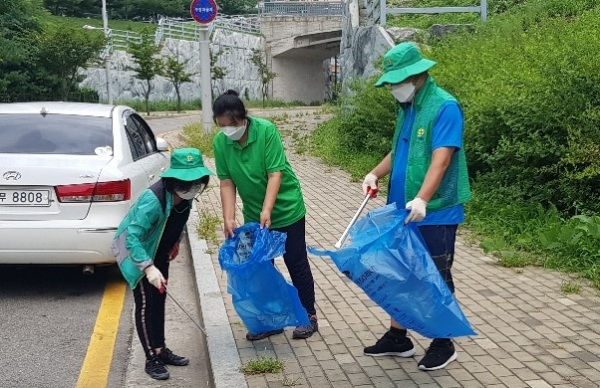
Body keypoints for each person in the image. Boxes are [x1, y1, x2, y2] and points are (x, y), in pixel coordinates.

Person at [361, 42, 471, 371]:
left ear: (419, 74)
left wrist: (423, 198)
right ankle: (399, 337)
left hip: (434, 210)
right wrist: (374, 173)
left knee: (436, 275)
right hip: (402, 208)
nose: (395, 87)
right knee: (401, 271)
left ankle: (443, 341)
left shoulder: (444, 106)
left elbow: (441, 159)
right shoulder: (408, 107)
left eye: (399, 81)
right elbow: (400, 151)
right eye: (392, 82)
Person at [212, 90, 318, 341]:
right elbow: (226, 183)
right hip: (254, 215)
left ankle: (308, 316)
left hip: (286, 209)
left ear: (243, 119)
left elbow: (275, 174)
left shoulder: (266, 131)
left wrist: (268, 209)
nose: (228, 131)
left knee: (296, 262)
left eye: (232, 125)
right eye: (222, 126)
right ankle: (271, 320)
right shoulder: (220, 143)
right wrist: (228, 217)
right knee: (259, 268)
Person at [112, 148, 214, 380]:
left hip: (159, 251)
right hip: (138, 253)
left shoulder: (185, 198)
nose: (193, 185)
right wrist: (148, 268)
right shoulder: (154, 199)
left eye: (197, 181)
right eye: (188, 181)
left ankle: (161, 349)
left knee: (159, 299)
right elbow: (132, 237)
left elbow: (178, 222)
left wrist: (175, 242)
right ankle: (151, 357)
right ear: (173, 179)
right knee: (147, 304)